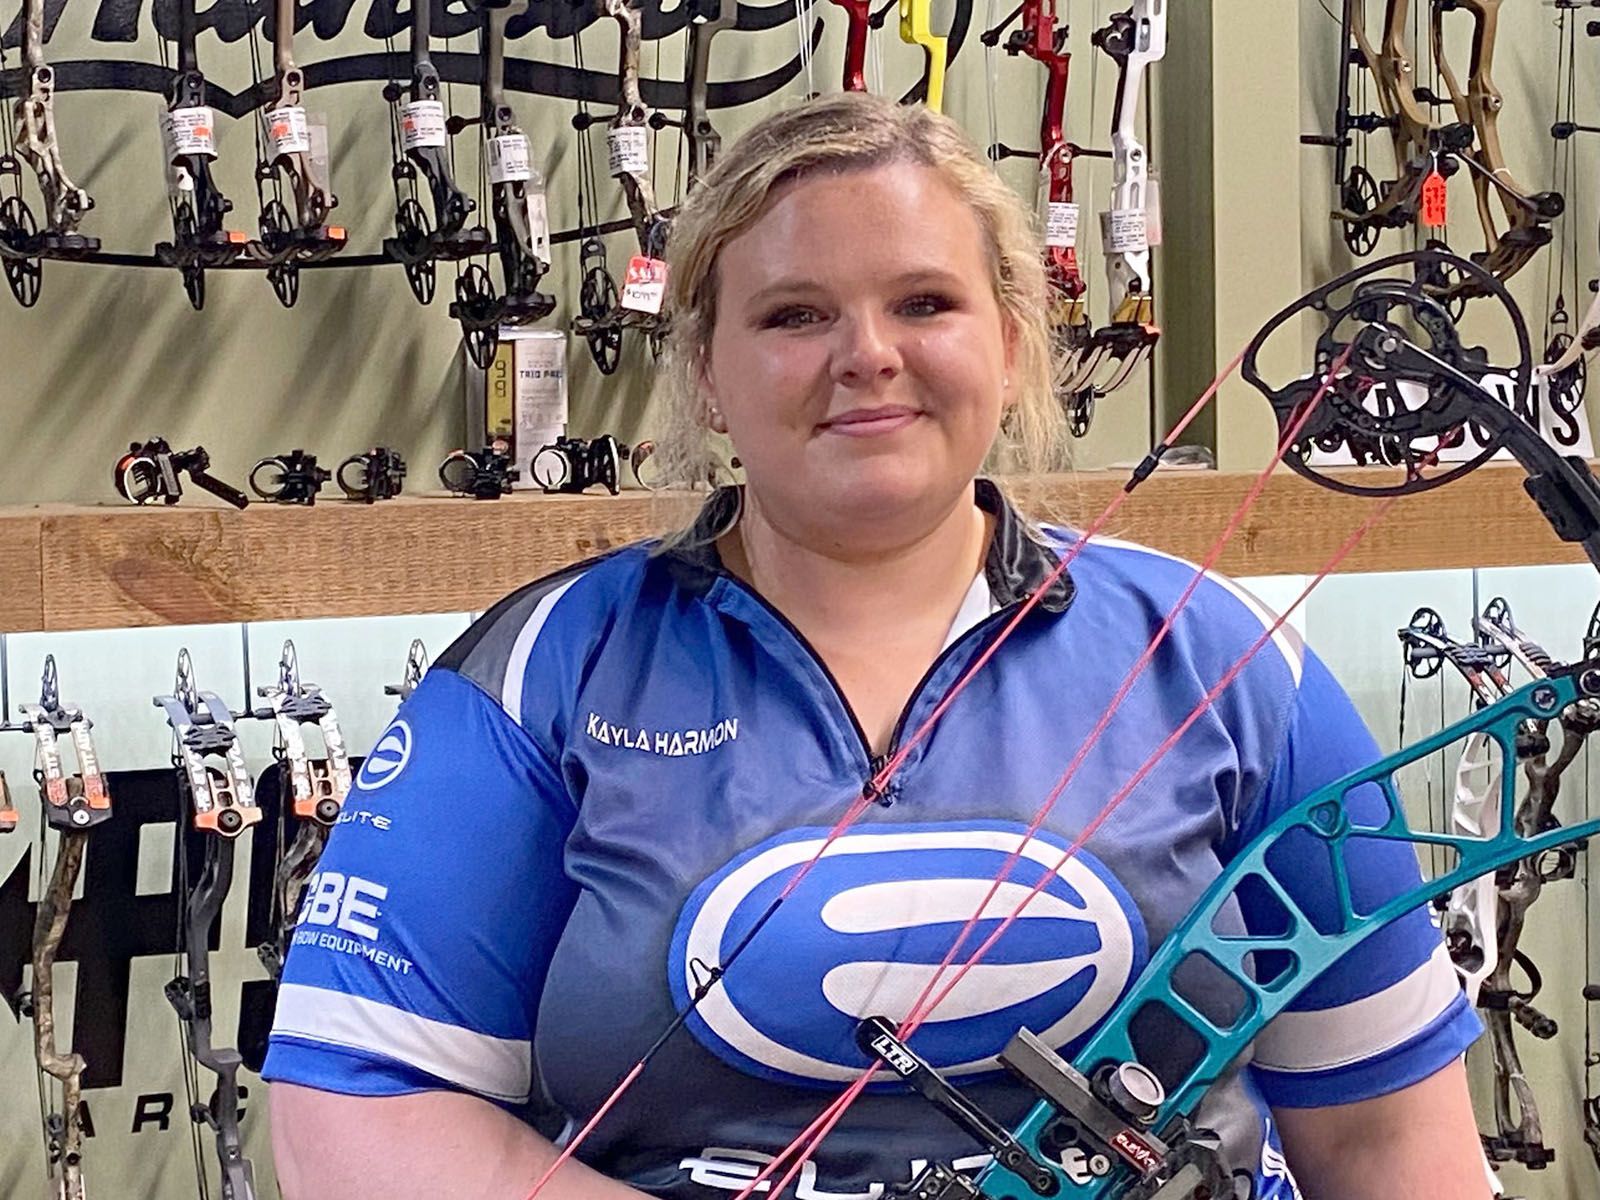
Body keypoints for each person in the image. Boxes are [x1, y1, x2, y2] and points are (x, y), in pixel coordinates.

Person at [265, 93, 1490, 1200]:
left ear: (1010, 342)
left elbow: (1391, 1140)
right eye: (795, 314)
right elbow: (358, 1120)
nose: (867, 356)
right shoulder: (542, 671)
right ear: (704, 372)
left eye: (925, 302)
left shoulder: (1222, 657)